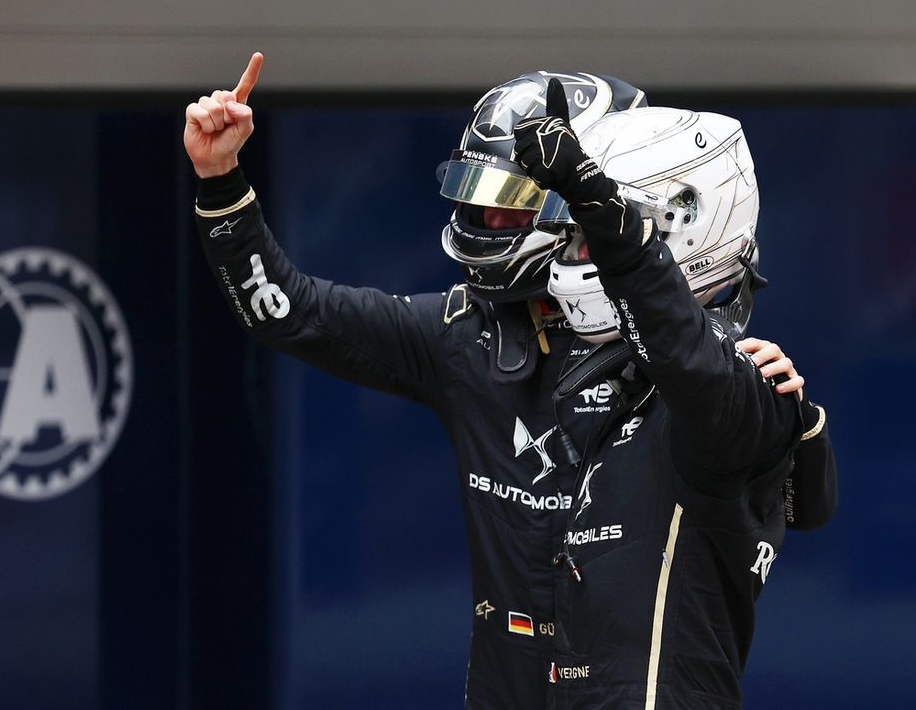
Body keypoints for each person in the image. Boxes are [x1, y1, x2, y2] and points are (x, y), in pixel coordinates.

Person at [184, 53, 835, 709]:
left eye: (516, 203)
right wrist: (220, 181)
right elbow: (292, 312)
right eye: (478, 197)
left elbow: (707, 377)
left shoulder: (718, 372)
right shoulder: (465, 335)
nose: (489, 220)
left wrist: (600, 209)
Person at [510, 82, 834, 707]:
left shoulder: (738, 393)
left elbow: (678, 344)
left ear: (680, 229)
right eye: (578, 236)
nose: (578, 254)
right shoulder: (628, 389)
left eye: (591, 239)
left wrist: (595, 198)